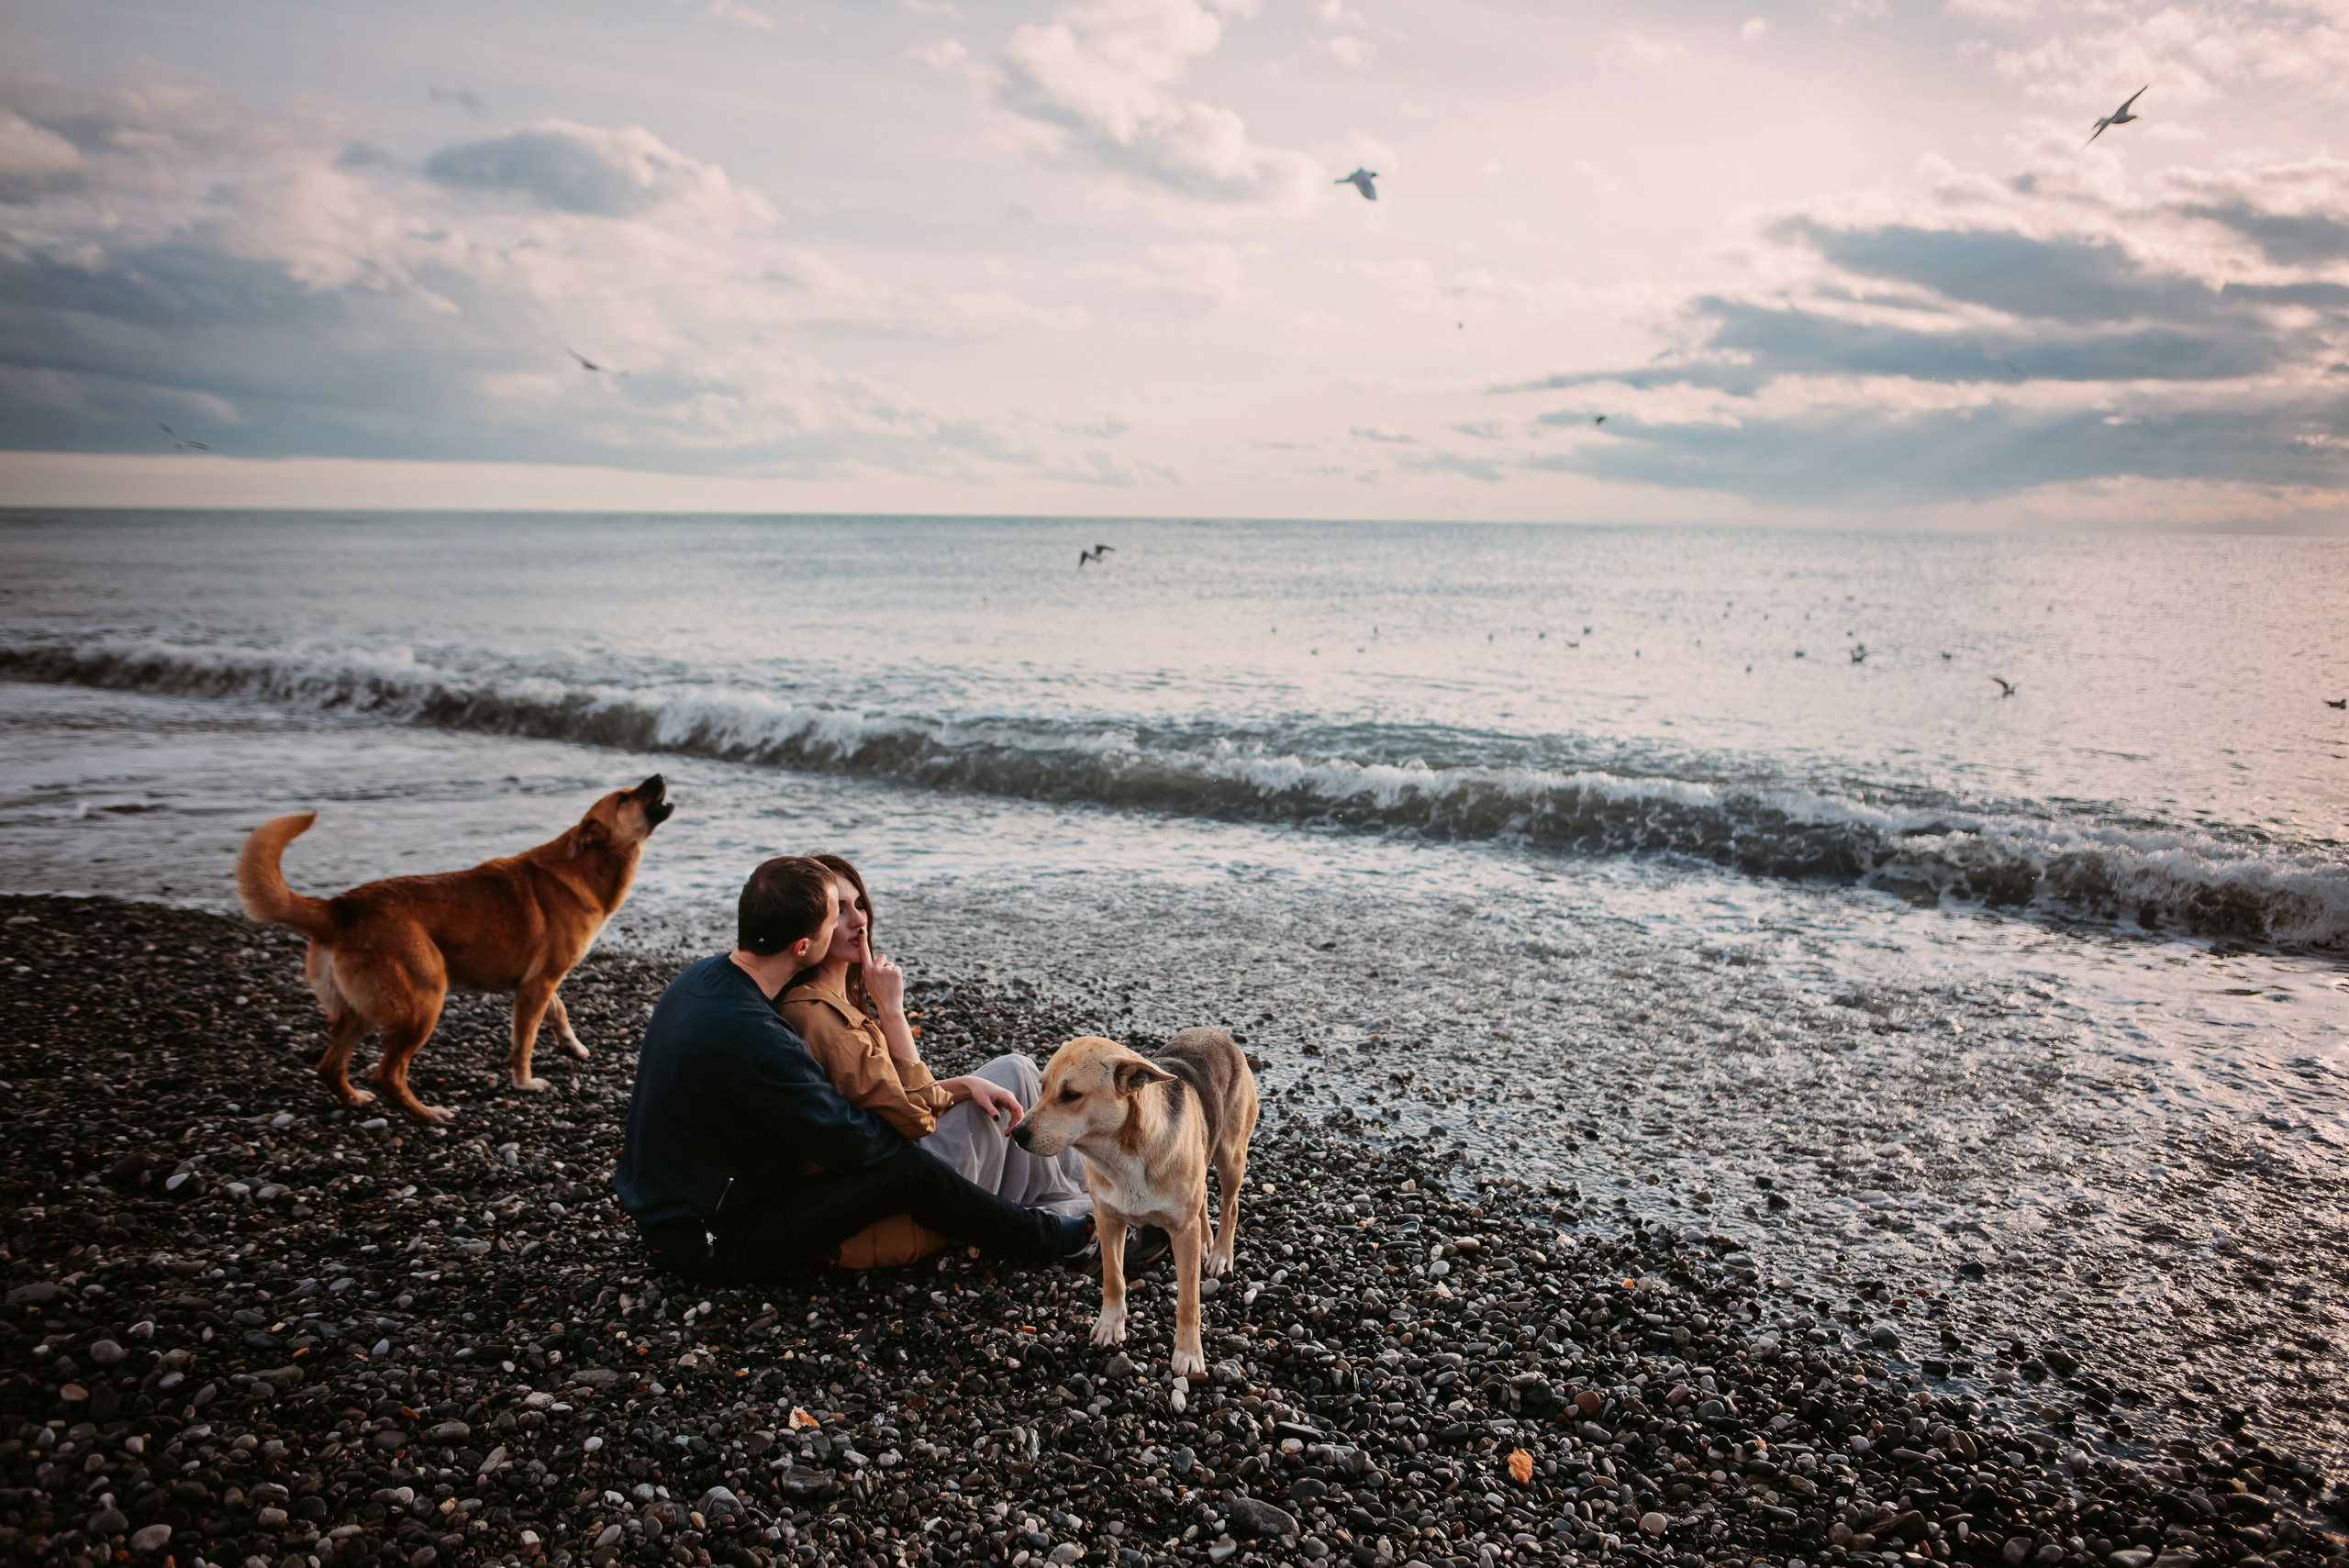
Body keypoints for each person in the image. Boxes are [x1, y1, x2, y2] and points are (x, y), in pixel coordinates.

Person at [613, 855, 1094, 1284]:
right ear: (804, 946)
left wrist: (943, 1092)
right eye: (833, 915)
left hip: (670, 1214)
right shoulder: (757, 1037)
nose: (856, 922)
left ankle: (1056, 1209)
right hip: (710, 1242)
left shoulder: (702, 979)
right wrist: (919, 1106)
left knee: (909, 1158)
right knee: (905, 1168)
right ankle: (1047, 1236)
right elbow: (856, 1144)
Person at [779, 854, 1092, 1266]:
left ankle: (1079, 1196)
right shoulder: (820, 1017)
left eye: (859, 905)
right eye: (838, 910)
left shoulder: (831, 1003)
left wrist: (964, 1084)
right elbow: (914, 1112)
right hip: (900, 1184)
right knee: (1014, 1074)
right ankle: (1090, 1205)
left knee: (1011, 1074)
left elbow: (891, 1098)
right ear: (808, 924)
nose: (859, 921)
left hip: (889, 1161)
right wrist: (892, 1010)